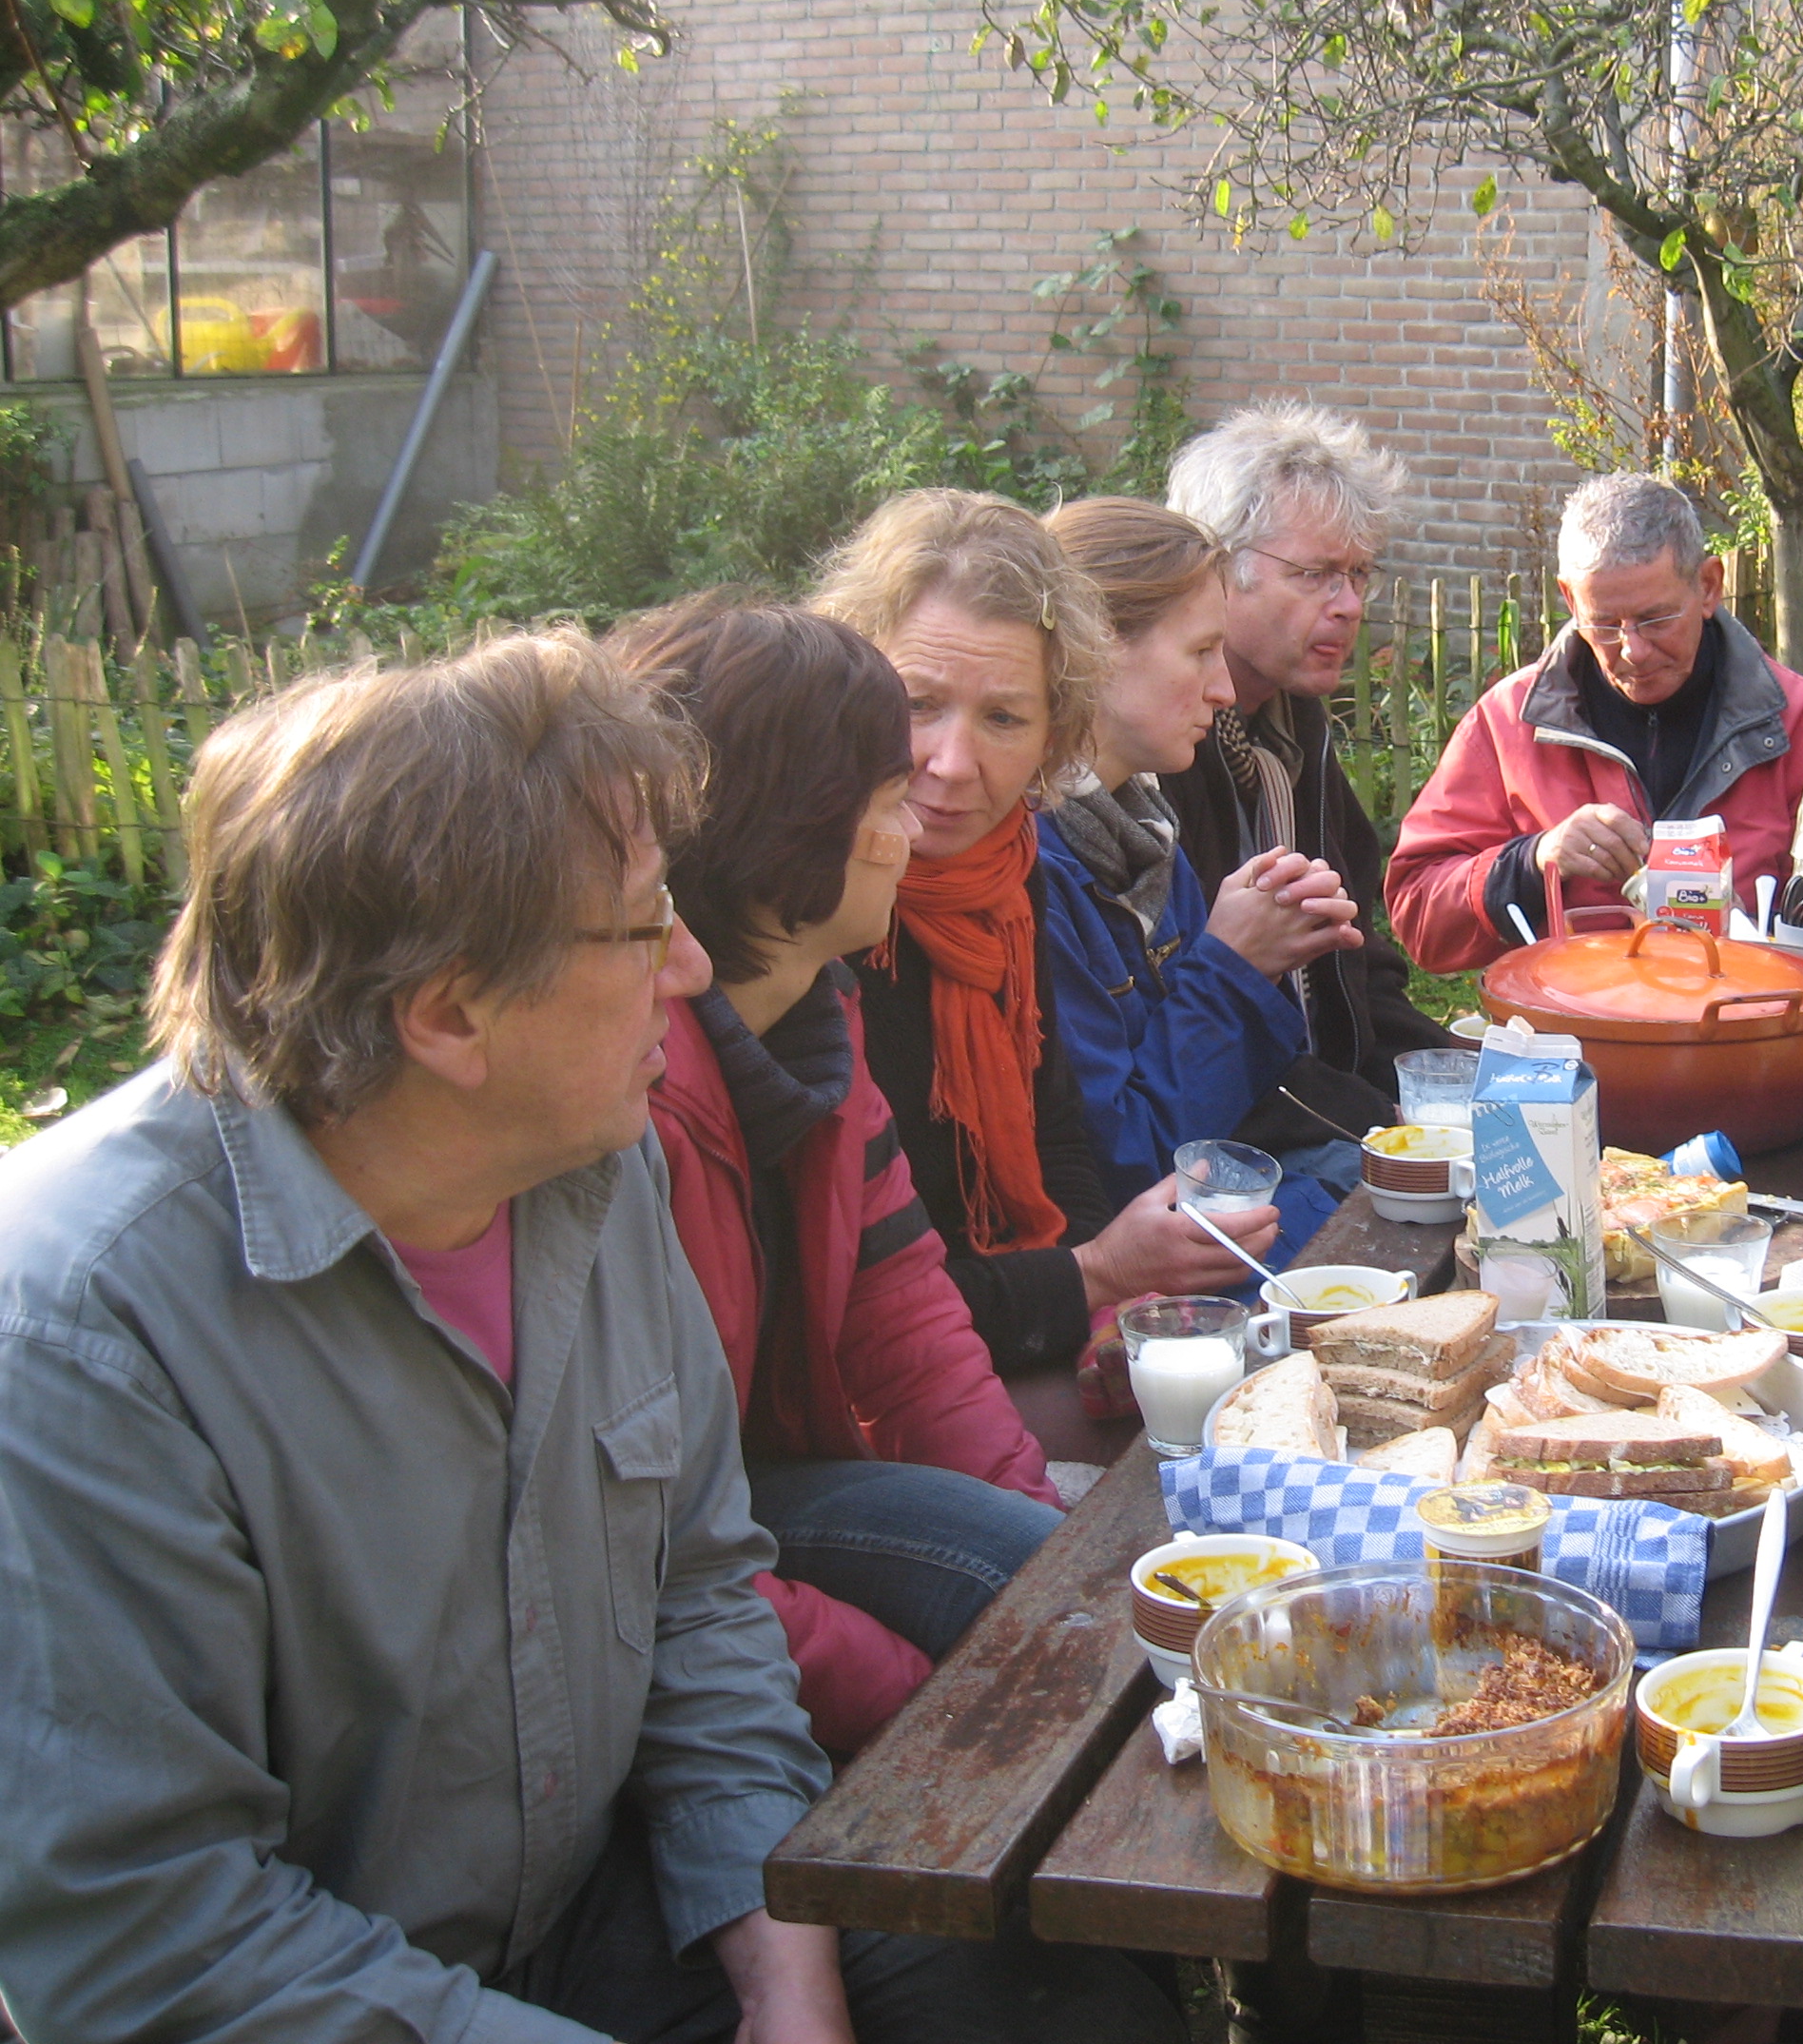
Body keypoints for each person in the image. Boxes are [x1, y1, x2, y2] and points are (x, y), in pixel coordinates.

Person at [0, 633, 1178, 2042]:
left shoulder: (582, 1170)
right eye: (638, 927)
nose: (686, 966)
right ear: (445, 1012)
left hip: (585, 1914)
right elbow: (159, 1948)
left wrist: (780, 1955)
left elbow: (695, 1585)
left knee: (1066, 1987)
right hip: (323, 1987)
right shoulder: (86, 1335)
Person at [617, 598, 1063, 1758]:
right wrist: (920, 1703)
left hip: (761, 1493)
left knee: (1050, 1586)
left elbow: (900, 1311)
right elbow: (659, 1551)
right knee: (1034, 1646)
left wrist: (1035, 1520)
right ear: (792, 830)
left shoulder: (817, 1016)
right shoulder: (632, 1100)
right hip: (680, 1550)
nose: (906, 833)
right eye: (882, 803)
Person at [809, 491, 1275, 1412]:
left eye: (1004, 720)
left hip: (1016, 1322)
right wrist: (1094, 1280)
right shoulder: (817, 910)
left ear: (1057, 729)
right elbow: (854, 1308)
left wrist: (1105, 1303)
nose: (950, 762)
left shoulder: (1007, 867)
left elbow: (1054, 1128)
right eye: (918, 704)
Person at [1386, 471, 1803, 969]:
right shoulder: (1507, 725)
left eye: (1656, 619)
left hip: (1747, 1029)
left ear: (1708, 587)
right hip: (1566, 1035)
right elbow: (1418, 919)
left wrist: (1746, 933)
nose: (1633, 650)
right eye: (1603, 623)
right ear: (1571, 600)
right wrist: (1532, 861)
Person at [1037, 496, 1359, 1250]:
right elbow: (1133, 1168)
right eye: (1199, 652)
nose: (1222, 693)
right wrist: (1235, 967)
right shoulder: (1038, 870)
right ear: (1099, 649)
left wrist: (1270, 941)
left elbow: (1229, 1112)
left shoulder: (1142, 830)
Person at [1159, 403, 1454, 1153]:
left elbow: (1354, 973)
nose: (1350, 606)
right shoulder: (1156, 764)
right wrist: (1376, 1126)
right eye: (1316, 574)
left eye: (1359, 574)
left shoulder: (1297, 732)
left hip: (1315, 1117)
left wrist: (1469, 1078)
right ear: (1218, 569)